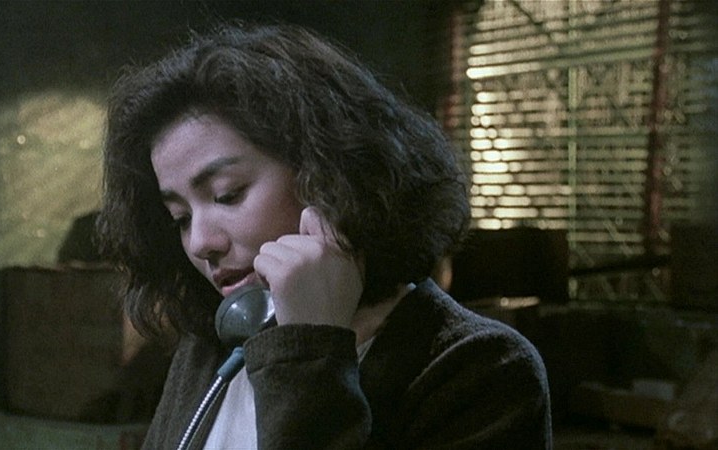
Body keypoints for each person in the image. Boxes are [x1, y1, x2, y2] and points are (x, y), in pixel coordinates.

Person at [97, 23, 552, 449]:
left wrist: (309, 350)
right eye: (179, 217)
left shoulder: (482, 369)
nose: (200, 242)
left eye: (227, 194)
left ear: (329, 174)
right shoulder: (212, 352)